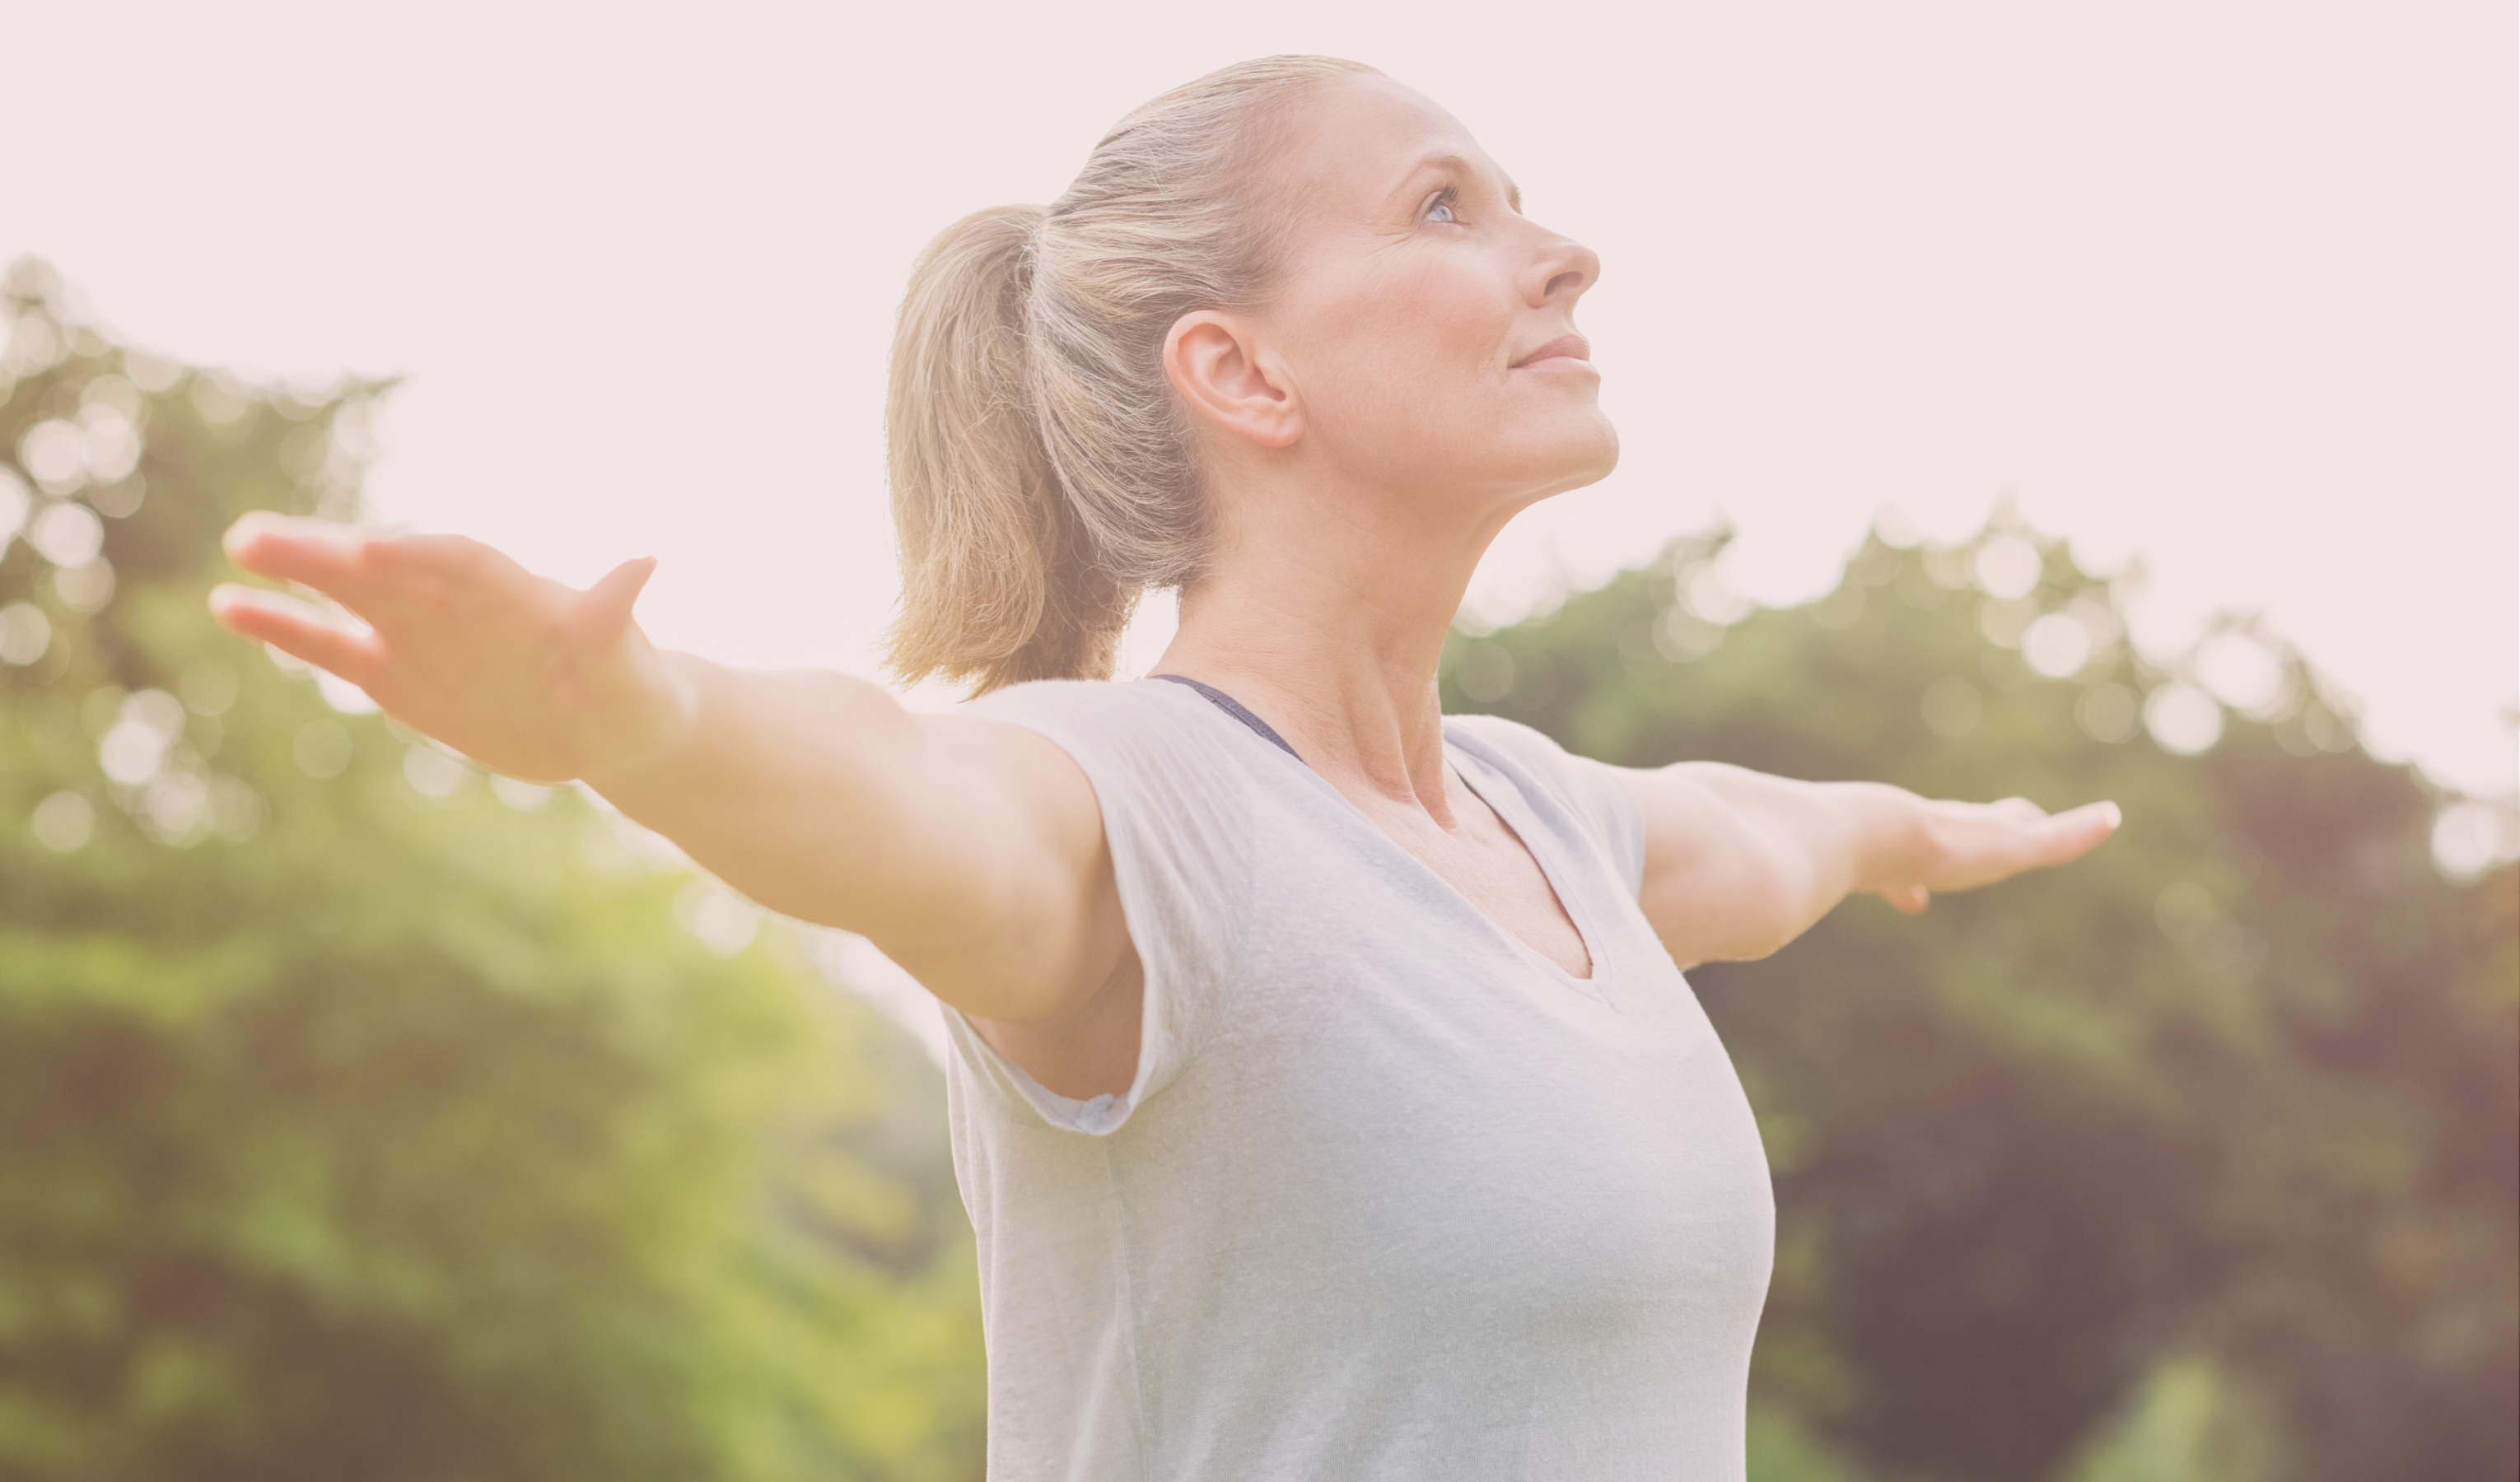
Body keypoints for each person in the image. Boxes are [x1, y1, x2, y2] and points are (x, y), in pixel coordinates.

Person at [211, 55, 2118, 1482]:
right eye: (1447, 207)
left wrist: (1910, 831)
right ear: (1244, 375)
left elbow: (1757, 833)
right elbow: (894, 792)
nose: (1561, 250)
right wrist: (643, 723)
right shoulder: (1135, 808)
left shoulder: (1551, 822)